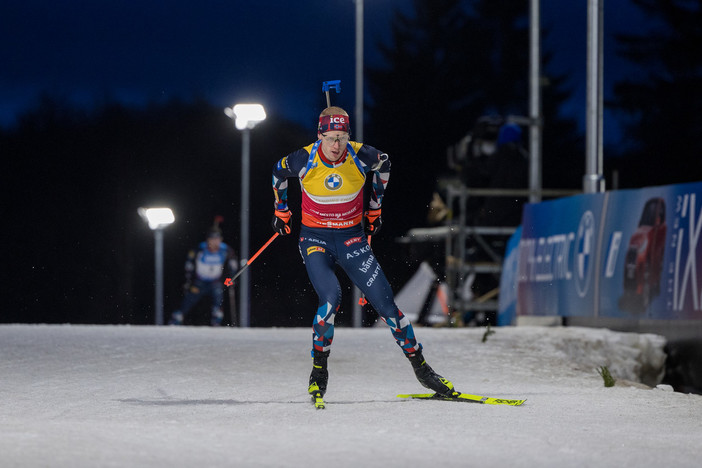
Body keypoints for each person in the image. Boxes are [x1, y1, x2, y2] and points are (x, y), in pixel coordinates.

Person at [271, 106, 454, 400]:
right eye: (330, 138)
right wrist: (281, 210)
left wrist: (375, 207)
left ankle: (423, 370)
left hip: (351, 239)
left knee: (387, 307)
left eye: (342, 137)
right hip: (315, 240)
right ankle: (319, 371)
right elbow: (278, 172)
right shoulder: (304, 158)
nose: (336, 146)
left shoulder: (361, 155)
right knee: (331, 298)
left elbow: (385, 164)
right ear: (320, 136)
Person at [169, 227, 238, 326]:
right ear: (208, 240)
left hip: (215, 281)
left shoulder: (225, 249)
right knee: (189, 300)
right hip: (200, 281)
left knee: (218, 298)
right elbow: (189, 263)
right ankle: (177, 318)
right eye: (212, 239)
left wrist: (232, 277)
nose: (215, 242)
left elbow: (233, 263)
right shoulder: (200, 248)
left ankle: (216, 320)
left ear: (220, 240)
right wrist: (188, 279)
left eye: (217, 239)